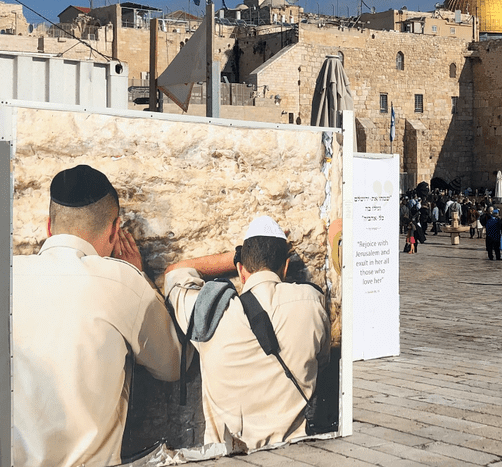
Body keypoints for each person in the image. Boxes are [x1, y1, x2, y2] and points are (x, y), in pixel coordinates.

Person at [13, 165, 182, 467]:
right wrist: (138, 276)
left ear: (49, 227)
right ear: (115, 230)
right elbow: (172, 365)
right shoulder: (123, 281)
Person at [165, 215, 330, 450]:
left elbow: (174, 273)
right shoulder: (312, 302)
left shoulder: (210, 313)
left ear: (241, 269)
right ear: (285, 266)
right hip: (296, 453)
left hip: (231, 457)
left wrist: (233, 258)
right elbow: (322, 361)